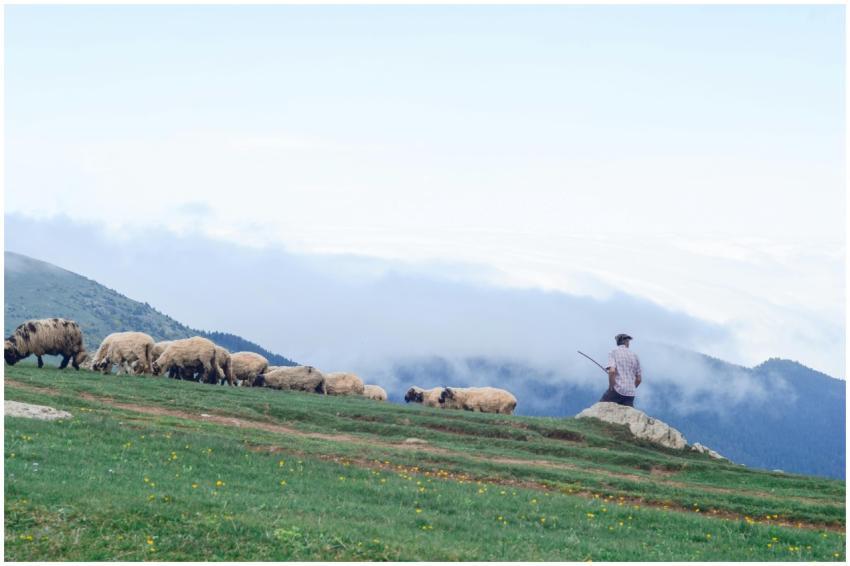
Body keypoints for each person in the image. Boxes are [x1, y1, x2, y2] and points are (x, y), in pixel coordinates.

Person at [600, 333, 641, 407]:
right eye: (628, 341)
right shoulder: (635, 356)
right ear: (626, 342)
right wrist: (631, 387)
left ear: (617, 342)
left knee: (601, 406)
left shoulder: (613, 352)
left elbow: (612, 371)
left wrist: (611, 386)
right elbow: (639, 379)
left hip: (617, 390)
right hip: (631, 393)